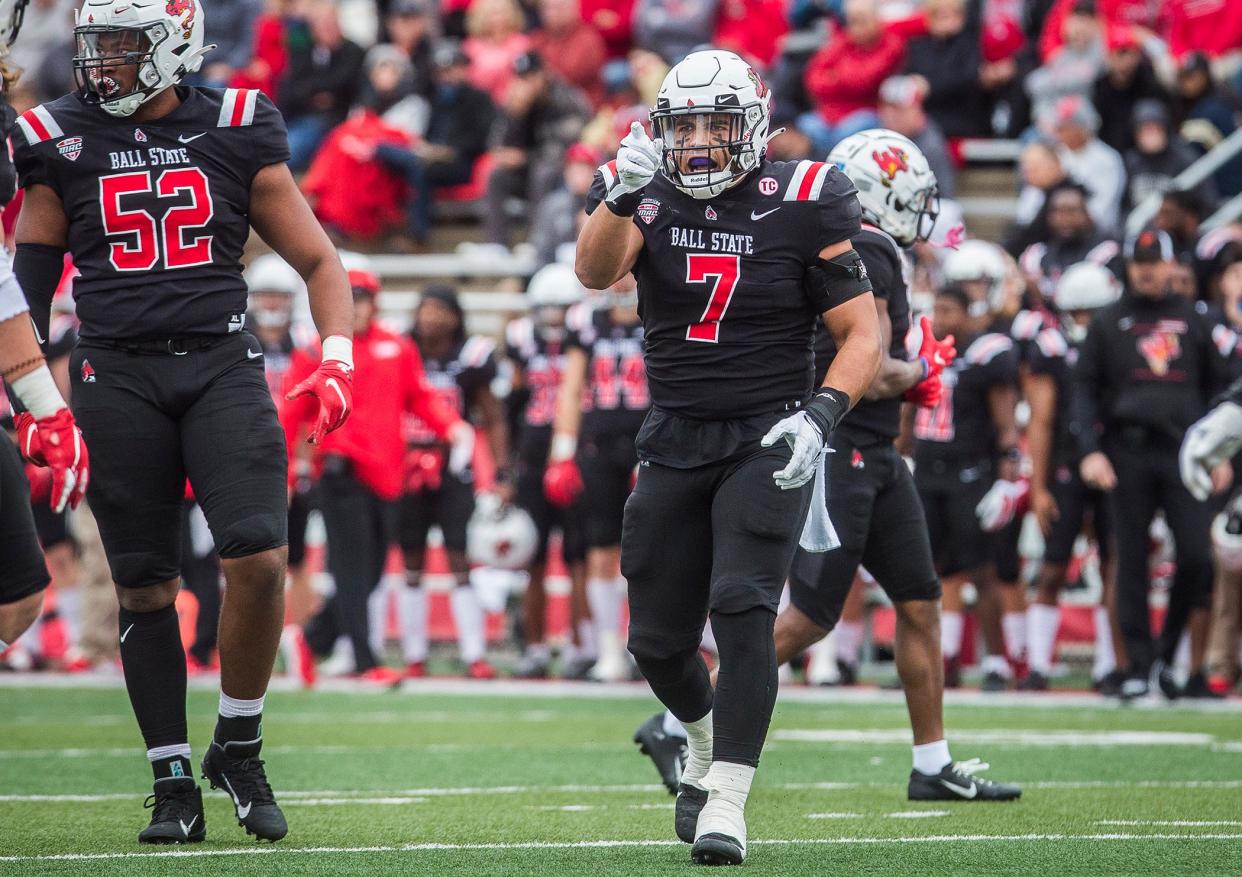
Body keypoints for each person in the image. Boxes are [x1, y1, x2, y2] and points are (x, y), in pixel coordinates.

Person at [12, 0, 356, 843]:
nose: (103, 67)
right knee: (145, 585)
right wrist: (30, 398)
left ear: (176, 47)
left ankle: (238, 739)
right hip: (113, 371)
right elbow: (24, 283)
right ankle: (171, 775)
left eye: (124, 49)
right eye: (96, 49)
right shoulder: (56, 134)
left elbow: (316, 257)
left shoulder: (237, 121)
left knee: (262, 557)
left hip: (219, 361)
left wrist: (337, 355)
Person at [638, 130, 1020, 802]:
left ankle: (932, 761)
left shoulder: (865, 246)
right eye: (911, 196)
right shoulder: (866, 246)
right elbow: (866, 366)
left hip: (875, 454)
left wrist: (910, 377)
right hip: (840, 446)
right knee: (809, 613)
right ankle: (679, 722)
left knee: (921, 602)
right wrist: (919, 373)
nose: (921, 210)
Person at [576, 49, 884, 865]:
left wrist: (822, 415)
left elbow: (862, 332)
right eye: (687, 125)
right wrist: (619, 194)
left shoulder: (805, 198)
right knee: (656, 642)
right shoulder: (639, 184)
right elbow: (592, 271)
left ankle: (729, 800)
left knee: (743, 605)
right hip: (674, 432)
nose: (702, 142)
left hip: (769, 430)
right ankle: (702, 741)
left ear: (751, 125)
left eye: (718, 123)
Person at [289, 268, 472, 683]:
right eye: (348, 298)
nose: (356, 307)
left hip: (387, 476)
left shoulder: (397, 347)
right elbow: (292, 414)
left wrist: (452, 426)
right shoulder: (320, 352)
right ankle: (365, 660)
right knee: (353, 570)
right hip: (342, 473)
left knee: (369, 573)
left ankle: (311, 639)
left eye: (361, 298)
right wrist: (285, 470)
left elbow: (421, 397)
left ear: (375, 302)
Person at [1073, 229, 1233, 700]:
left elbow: (1222, 390)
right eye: (1138, 261)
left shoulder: (1196, 320)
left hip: (1186, 452)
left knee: (1195, 557)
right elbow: (1082, 391)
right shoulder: (1108, 321)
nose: (1145, 269)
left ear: (1171, 266)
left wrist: (1221, 452)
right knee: (1130, 561)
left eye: (1153, 260)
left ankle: (1167, 654)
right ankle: (1139, 665)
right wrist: (1091, 451)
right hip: (1127, 451)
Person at [1021, 261, 1126, 693]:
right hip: (1066, 459)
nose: (1085, 321)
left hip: (1113, 459)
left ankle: (1107, 665)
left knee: (1113, 564)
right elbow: (1042, 421)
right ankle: (1038, 664)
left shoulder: (1122, 339)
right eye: (1078, 312)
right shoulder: (1050, 344)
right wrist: (1040, 486)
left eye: (1092, 311)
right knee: (1052, 566)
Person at [398, 286, 509, 679]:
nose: (430, 317)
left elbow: (492, 417)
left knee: (460, 558)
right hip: (407, 464)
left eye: (439, 310)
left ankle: (474, 653)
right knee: (410, 561)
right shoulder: (400, 350)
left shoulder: (470, 357)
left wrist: (501, 471)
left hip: (452, 468)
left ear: (455, 317)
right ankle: (413, 654)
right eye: (425, 308)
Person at [546, 273, 649, 681]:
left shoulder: (658, 309)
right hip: (600, 447)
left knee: (659, 552)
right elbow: (571, 388)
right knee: (601, 548)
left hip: (652, 445)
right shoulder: (586, 319)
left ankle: (656, 647)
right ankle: (610, 650)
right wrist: (562, 452)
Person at [504, 263, 591, 679]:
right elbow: (513, 402)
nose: (554, 319)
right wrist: (509, 467)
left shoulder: (589, 337)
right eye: (548, 310)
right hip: (535, 455)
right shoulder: (521, 340)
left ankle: (581, 644)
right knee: (533, 557)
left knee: (579, 556)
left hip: (576, 453)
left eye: (562, 309)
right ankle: (535, 645)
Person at [243, 254, 319, 686]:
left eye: (279, 294)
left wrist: (306, 456)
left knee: (299, 559)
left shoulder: (305, 345)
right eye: (264, 294)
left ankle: (299, 638)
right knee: (241, 556)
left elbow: (311, 410)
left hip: (293, 462)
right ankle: (243, 642)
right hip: (245, 460)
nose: (272, 302)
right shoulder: (236, 339)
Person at [483, 51, 591, 248]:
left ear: (544, 73)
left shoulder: (565, 97)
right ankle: (496, 244)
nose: (527, 83)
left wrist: (525, 157)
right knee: (497, 176)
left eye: (532, 76)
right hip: (529, 167)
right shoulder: (516, 101)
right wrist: (515, 115)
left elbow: (567, 144)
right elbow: (497, 144)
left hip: (562, 168)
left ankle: (537, 241)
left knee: (542, 173)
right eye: (522, 78)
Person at [798, 0, 906, 157]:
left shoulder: (891, 43)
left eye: (862, 20)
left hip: (869, 112)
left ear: (877, 19)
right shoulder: (842, 41)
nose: (856, 28)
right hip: (829, 114)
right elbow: (813, 78)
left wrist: (835, 76)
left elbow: (864, 81)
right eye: (852, 22)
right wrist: (844, 79)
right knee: (805, 124)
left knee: (845, 134)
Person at [279, 0, 365, 169]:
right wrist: (315, 93)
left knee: (286, 153)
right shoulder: (303, 51)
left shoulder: (353, 51)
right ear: (313, 29)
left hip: (330, 120)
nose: (328, 29)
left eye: (331, 23)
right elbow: (291, 88)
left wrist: (312, 89)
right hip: (296, 115)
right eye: (322, 24)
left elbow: (343, 83)